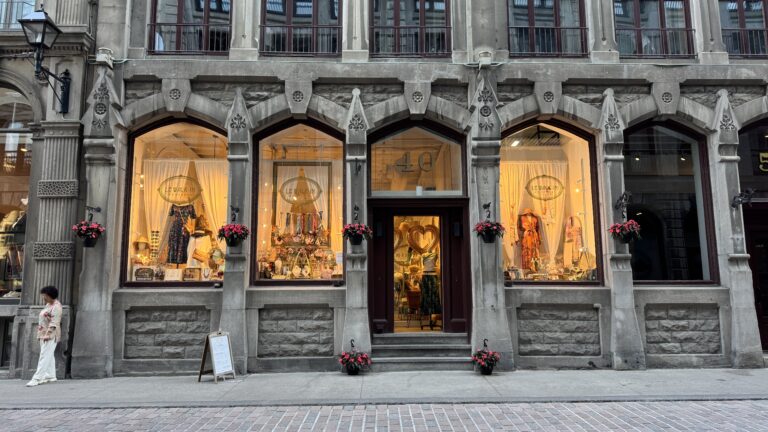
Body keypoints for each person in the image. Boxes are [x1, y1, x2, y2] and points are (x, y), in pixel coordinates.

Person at [26, 286, 62, 387]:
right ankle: (51, 376)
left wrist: (47, 335)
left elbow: (54, 323)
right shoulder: (48, 304)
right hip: (44, 334)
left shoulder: (56, 307)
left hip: (50, 335)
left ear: (50, 296)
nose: (43, 298)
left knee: (44, 356)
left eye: (45, 296)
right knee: (48, 355)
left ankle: (37, 378)